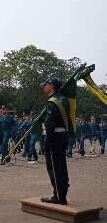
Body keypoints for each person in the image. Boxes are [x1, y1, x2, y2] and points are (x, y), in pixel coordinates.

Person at [40, 77, 70, 205]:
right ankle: (61, 193)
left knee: (54, 167)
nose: (44, 87)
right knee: (61, 167)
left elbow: (50, 123)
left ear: (51, 86)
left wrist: (47, 141)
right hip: (62, 135)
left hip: (54, 137)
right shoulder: (63, 99)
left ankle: (58, 196)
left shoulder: (53, 101)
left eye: (45, 84)